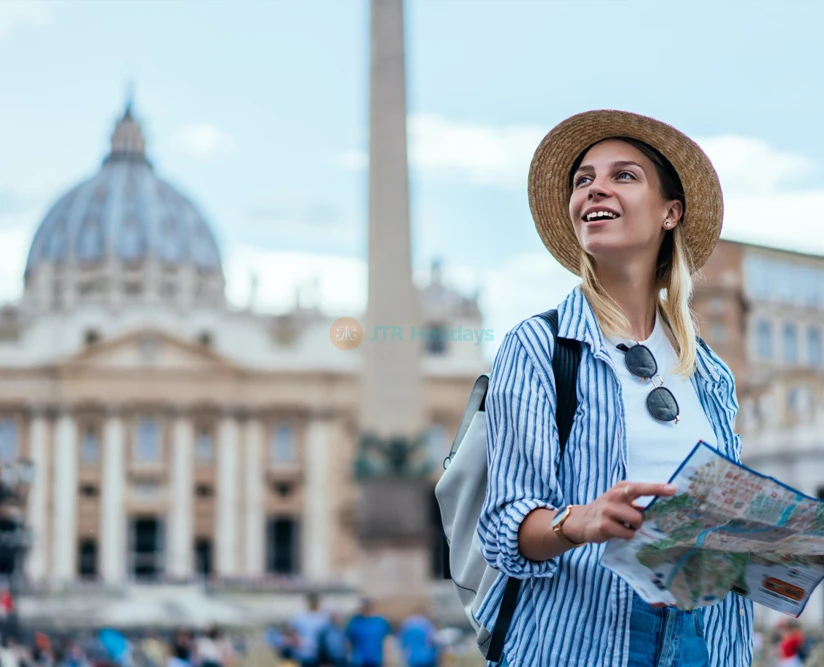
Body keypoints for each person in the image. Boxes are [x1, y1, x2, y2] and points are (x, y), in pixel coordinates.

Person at [477, 110, 754, 666]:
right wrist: (580, 520)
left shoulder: (710, 372)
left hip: (706, 636)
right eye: (584, 179)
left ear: (670, 212)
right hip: (582, 638)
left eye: (623, 175)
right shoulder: (539, 346)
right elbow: (505, 524)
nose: (595, 187)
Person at [288, 593, 333, 667]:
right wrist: (295, 641)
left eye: (315, 601)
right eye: (312, 601)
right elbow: (291, 631)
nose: (314, 603)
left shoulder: (324, 616)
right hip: (302, 654)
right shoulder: (299, 616)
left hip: (320, 655)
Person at [344, 598, 391, 667]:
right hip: (357, 659)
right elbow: (348, 640)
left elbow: (386, 641)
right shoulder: (354, 621)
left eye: (370, 606)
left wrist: (387, 658)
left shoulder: (381, 622)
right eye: (366, 605)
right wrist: (347, 656)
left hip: (376, 659)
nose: (368, 608)